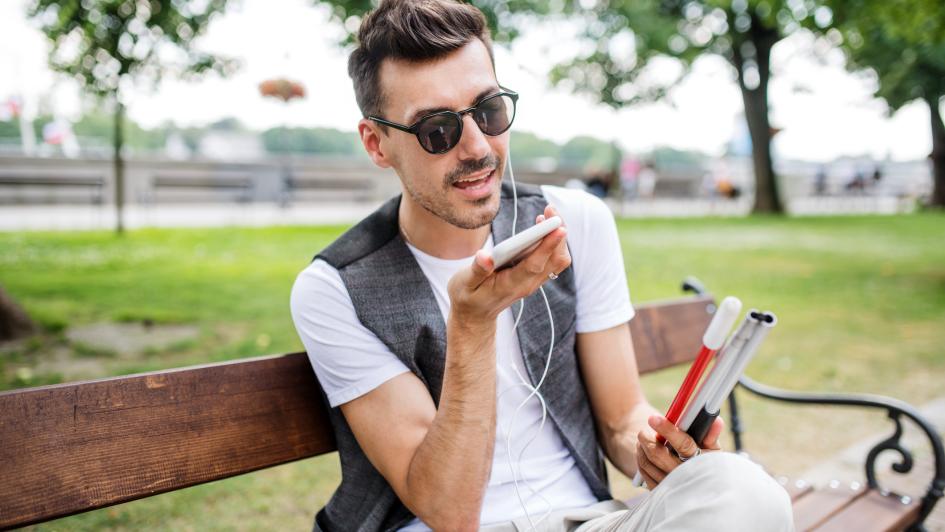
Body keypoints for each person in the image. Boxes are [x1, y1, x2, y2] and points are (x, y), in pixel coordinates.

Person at [290, 1, 794, 530]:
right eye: (437, 130)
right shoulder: (336, 288)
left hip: (588, 521)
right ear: (377, 144)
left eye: (488, 111)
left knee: (746, 490)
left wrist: (653, 450)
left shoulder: (574, 220)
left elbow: (622, 420)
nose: (478, 146)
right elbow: (448, 510)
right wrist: (474, 324)